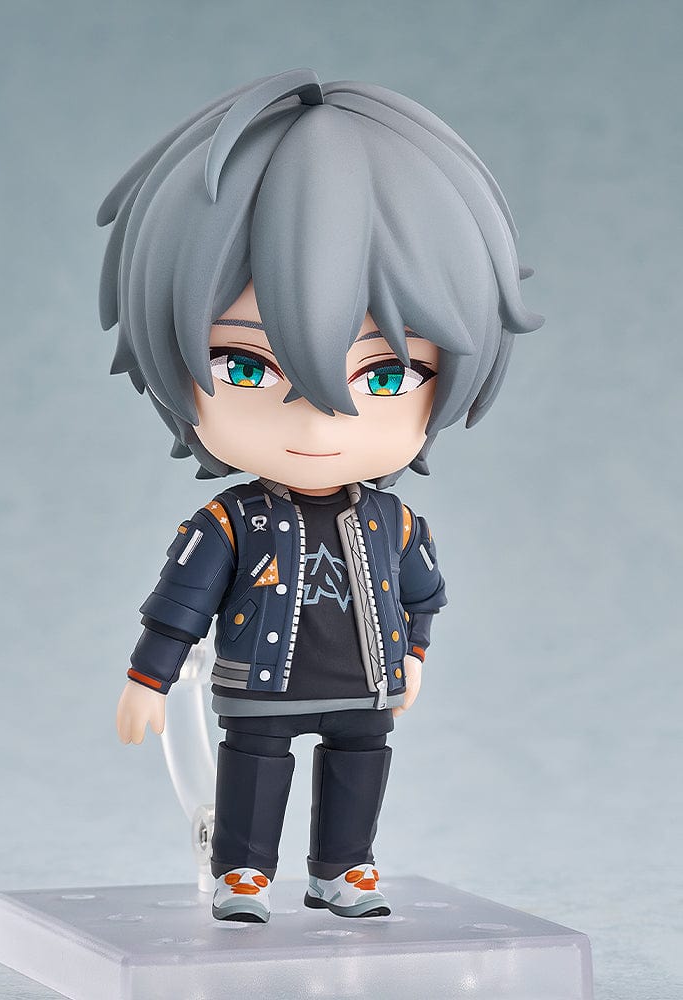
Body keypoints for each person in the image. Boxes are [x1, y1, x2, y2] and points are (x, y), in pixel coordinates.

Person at [98, 69, 543, 923]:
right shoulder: (230, 521)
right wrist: (147, 679)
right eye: (245, 367)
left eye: (387, 374)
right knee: (255, 766)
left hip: (365, 682)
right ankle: (243, 871)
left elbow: (422, 597)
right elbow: (179, 606)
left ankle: (344, 867)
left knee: (359, 767)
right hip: (262, 683)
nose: (317, 418)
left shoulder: (394, 521)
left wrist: (414, 657)